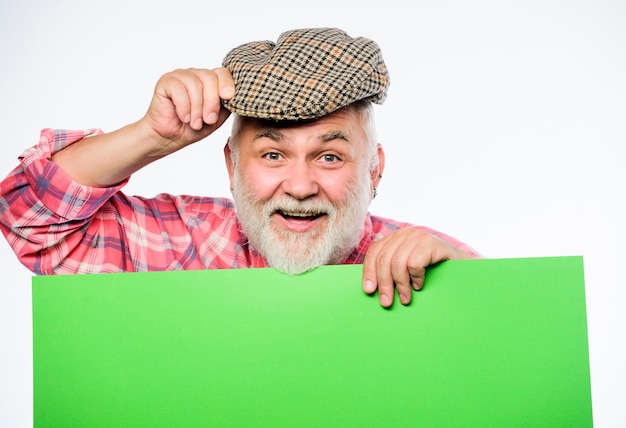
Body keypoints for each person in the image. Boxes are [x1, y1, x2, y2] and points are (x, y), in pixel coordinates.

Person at [0, 28, 480, 308]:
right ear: (231, 165)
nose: (299, 186)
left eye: (329, 156)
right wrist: (154, 136)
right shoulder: (184, 244)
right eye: (272, 154)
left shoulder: (424, 258)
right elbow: (31, 223)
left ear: (374, 171)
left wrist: (469, 288)